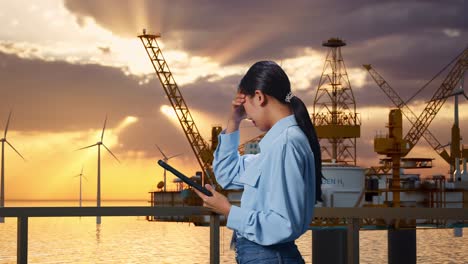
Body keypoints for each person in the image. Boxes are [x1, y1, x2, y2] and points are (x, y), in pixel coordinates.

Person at [193, 61, 323, 263]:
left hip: (269, 256)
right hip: (265, 256)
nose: (247, 117)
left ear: (260, 97)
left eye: (245, 108)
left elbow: (284, 224)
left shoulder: (286, 144)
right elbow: (228, 174)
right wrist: (233, 122)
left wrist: (228, 210)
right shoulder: (277, 145)